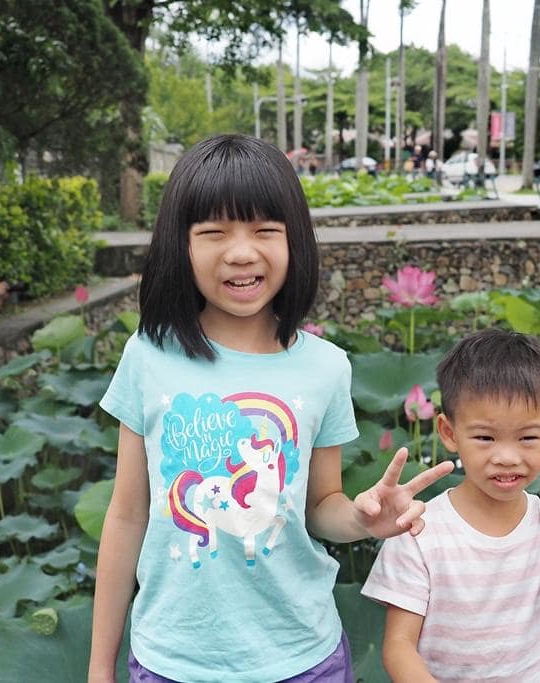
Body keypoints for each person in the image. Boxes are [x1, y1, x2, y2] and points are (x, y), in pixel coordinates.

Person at [88, 134, 454, 683]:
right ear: (179, 245)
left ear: (294, 242)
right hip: (171, 661)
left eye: (265, 231)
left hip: (301, 656)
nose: (241, 252)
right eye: (213, 232)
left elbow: (320, 506)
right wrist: (99, 667)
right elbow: (126, 514)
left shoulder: (325, 367)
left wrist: (361, 519)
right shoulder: (148, 355)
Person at [362, 329, 540, 682]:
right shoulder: (417, 530)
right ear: (448, 432)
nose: (507, 457)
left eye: (528, 437)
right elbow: (398, 646)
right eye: (485, 437)